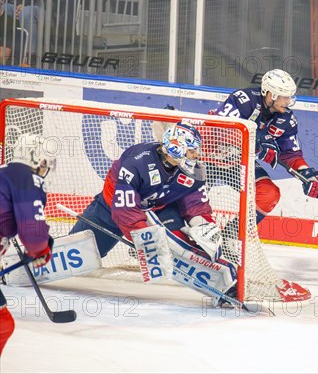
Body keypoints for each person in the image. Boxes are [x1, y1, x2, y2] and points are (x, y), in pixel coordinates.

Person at [69, 122, 219, 258]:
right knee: (79, 255)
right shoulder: (136, 162)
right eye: (192, 150)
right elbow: (125, 212)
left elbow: (196, 204)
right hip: (110, 209)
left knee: (180, 246)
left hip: (159, 209)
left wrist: (203, 226)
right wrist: (148, 241)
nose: (197, 155)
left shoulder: (192, 169)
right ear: (177, 148)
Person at [211, 69, 318, 223]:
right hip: (208, 154)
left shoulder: (287, 119)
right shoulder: (244, 99)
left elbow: (290, 154)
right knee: (192, 192)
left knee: (268, 193)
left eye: (290, 97)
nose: (289, 102)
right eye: (285, 97)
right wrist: (257, 137)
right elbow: (219, 128)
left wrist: (306, 173)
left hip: (237, 162)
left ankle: (233, 235)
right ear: (271, 94)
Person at [0, 134, 56, 355]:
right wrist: (41, 249)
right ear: (39, 160)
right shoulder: (28, 179)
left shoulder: (5, 172)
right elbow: (32, 232)